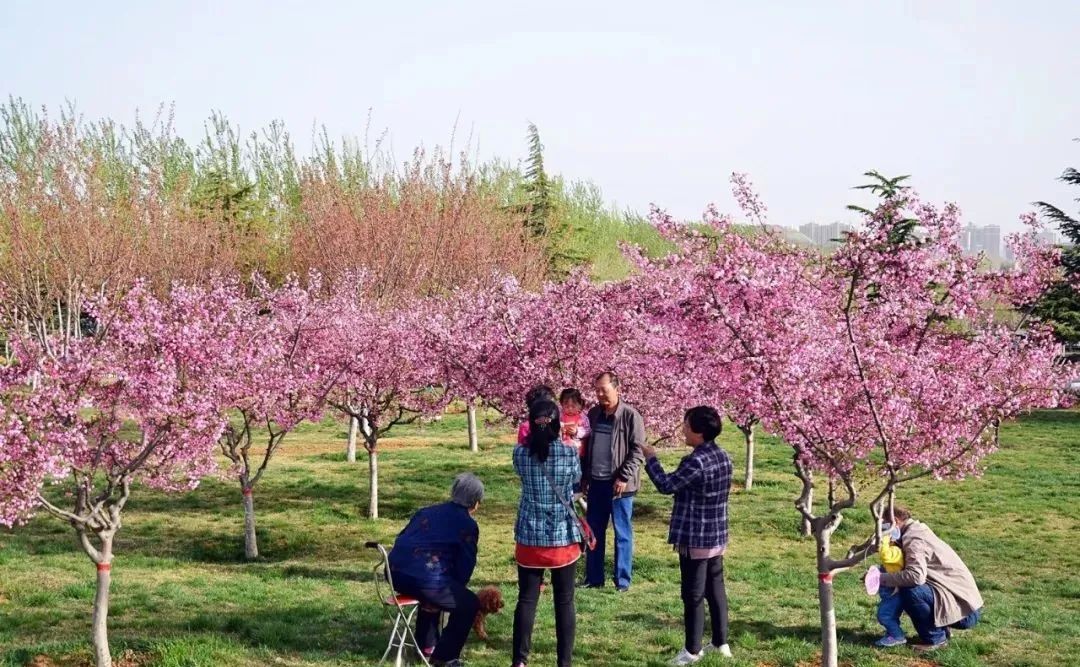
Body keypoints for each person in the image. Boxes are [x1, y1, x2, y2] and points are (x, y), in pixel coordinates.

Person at [642, 406, 733, 665]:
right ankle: (720, 642)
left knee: (692, 594)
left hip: (695, 537)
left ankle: (692, 650)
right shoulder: (724, 456)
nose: (682, 428)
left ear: (699, 432)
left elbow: (666, 485)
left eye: (686, 424)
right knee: (715, 589)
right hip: (716, 536)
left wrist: (651, 458)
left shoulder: (697, 460)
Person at [512, 400, 583, 667]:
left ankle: (520, 660)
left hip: (530, 537)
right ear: (557, 423)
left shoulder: (519, 453)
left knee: (527, 600)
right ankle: (564, 662)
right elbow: (575, 477)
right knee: (564, 601)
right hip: (561, 538)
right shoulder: (569, 454)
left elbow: (521, 470)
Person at [388, 473, 485, 667]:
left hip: (394, 572)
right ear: (475, 503)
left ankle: (426, 646)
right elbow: (465, 566)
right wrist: (455, 588)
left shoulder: (425, 512)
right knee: (467, 603)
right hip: (424, 579)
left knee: (435, 591)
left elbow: (402, 538)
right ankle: (444, 657)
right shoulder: (468, 525)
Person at [878, 506, 984, 653]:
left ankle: (936, 639)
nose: (881, 529)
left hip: (966, 611)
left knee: (910, 591)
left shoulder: (914, 539)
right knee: (903, 581)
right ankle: (941, 630)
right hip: (964, 603)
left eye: (883, 525)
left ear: (895, 521)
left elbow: (915, 577)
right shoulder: (915, 530)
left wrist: (880, 579)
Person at [580, 371, 646, 591]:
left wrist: (623, 476)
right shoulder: (593, 414)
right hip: (596, 482)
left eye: (604, 390)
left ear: (618, 389)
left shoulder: (630, 416)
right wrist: (584, 477)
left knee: (622, 534)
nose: (600, 394)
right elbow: (586, 446)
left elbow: (638, 450)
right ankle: (594, 578)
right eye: (597, 390)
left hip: (620, 485)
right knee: (594, 532)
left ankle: (622, 581)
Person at [873, 522, 907, 648]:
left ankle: (897, 636)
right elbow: (888, 565)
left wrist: (885, 537)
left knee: (884, 615)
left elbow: (885, 555)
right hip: (890, 591)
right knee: (892, 615)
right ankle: (891, 634)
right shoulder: (894, 550)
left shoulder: (896, 551)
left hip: (894, 592)